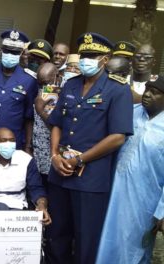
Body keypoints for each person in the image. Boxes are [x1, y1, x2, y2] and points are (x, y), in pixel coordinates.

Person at [44, 32, 133, 264]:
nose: (86, 60)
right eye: (84, 55)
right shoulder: (71, 85)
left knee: (86, 241)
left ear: (105, 59)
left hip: (90, 180)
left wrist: (80, 160)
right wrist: (54, 155)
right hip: (60, 175)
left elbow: (117, 137)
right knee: (56, 236)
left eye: (92, 55)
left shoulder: (117, 89)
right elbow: (56, 123)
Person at [96, 75, 164, 263]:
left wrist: (162, 211)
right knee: (102, 239)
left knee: (132, 246)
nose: (147, 94)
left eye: (155, 92)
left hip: (143, 200)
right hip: (110, 189)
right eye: (147, 89)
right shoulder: (130, 112)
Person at [0, 29, 37, 152]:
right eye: (7, 51)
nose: (10, 55)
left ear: (21, 53)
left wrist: (27, 147)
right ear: (1, 50)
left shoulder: (29, 79)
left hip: (12, 143)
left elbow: (29, 118)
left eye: (15, 52)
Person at [33, 62, 59, 186]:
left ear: (56, 77)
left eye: (47, 82)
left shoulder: (62, 95)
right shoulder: (38, 92)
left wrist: (41, 111)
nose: (44, 86)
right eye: (41, 83)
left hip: (52, 154)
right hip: (37, 152)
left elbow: (57, 127)